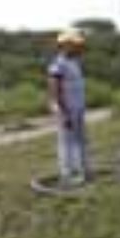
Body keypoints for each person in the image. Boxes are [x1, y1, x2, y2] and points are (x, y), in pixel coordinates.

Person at [48, 29, 89, 185]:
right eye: (75, 45)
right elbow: (54, 89)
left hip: (77, 109)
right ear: (65, 45)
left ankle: (82, 171)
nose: (79, 48)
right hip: (65, 110)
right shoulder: (58, 64)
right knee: (67, 143)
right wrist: (63, 113)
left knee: (80, 141)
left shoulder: (75, 62)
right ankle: (68, 175)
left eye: (79, 45)